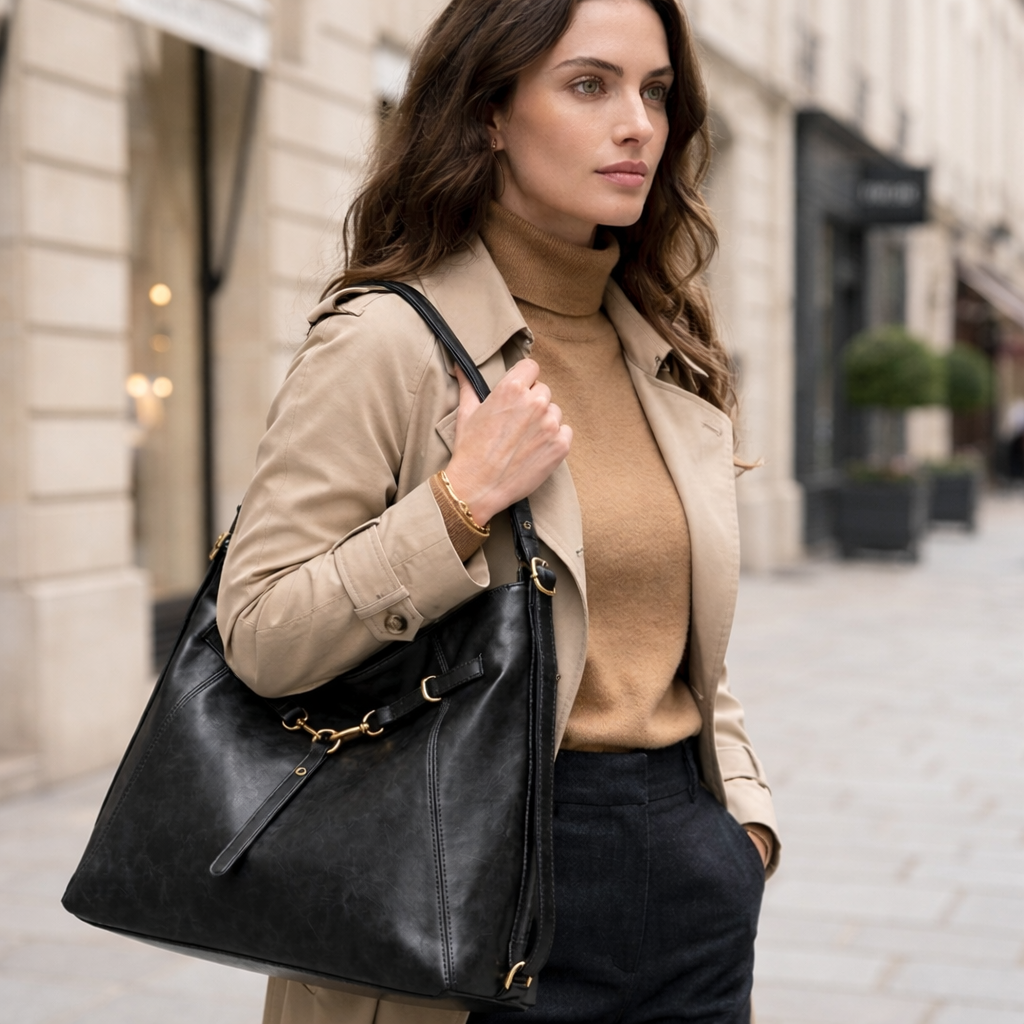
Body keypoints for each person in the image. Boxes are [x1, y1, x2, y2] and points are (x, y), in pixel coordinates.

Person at [217, 1, 779, 1021]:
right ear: (487, 113)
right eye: (588, 85)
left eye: (654, 92)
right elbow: (257, 633)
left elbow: (671, 629)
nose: (637, 123)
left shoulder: (661, 344)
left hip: (682, 886)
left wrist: (739, 818)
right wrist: (458, 502)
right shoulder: (384, 340)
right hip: (453, 883)